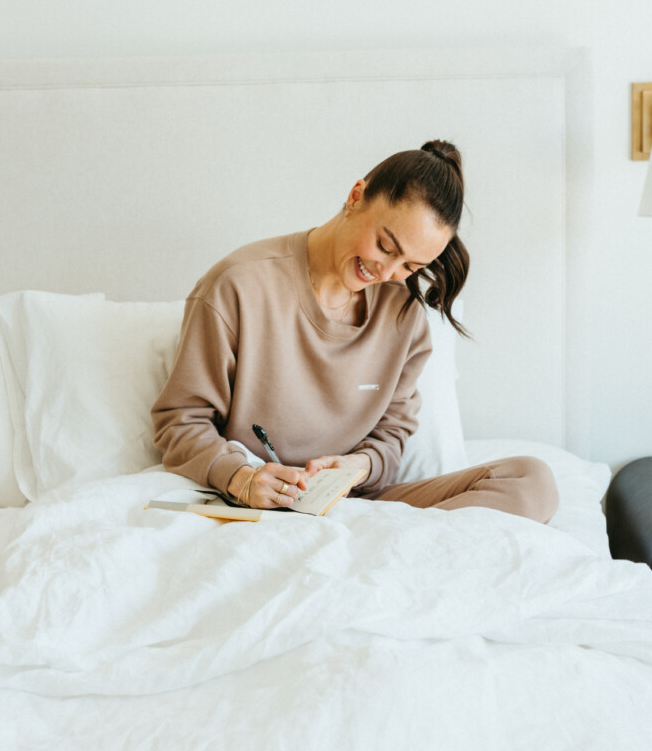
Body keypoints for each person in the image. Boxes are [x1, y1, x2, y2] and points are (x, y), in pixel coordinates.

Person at [151, 140, 558, 523]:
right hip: (259, 508)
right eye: (385, 245)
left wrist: (358, 467)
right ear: (356, 196)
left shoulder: (403, 315)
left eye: (410, 267)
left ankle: (386, 555)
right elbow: (180, 422)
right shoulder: (238, 285)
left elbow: (391, 436)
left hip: (359, 511)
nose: (386, 272)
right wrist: (240, 479)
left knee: (532, 481)